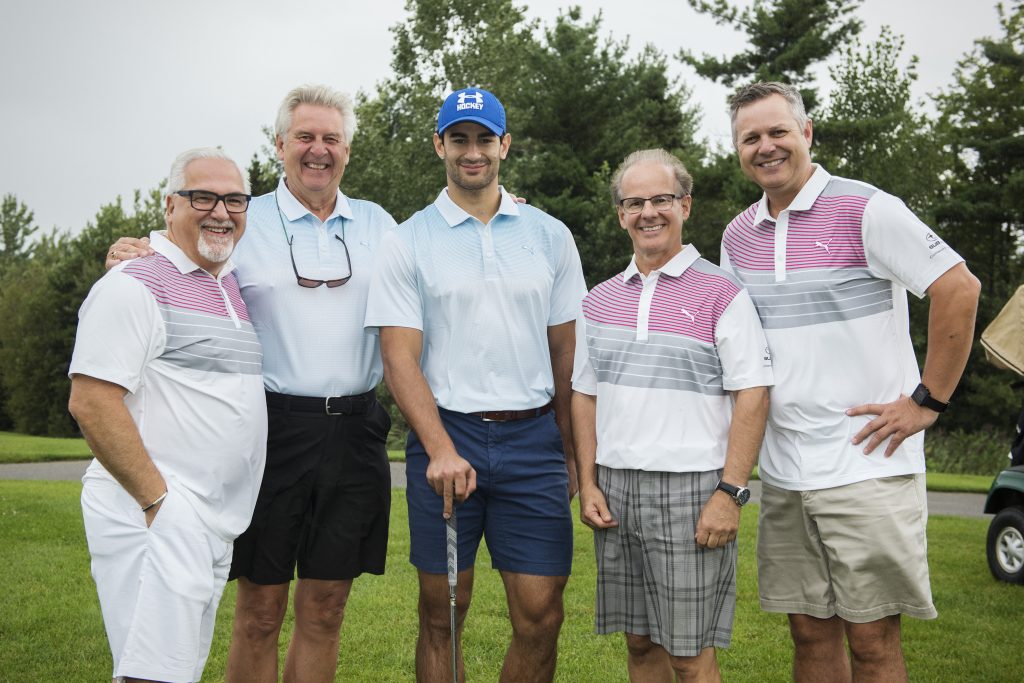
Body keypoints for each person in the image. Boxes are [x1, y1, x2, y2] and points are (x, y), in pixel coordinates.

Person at [105, 84, 396, 683]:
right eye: (305, 137)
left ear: (348, 149)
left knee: (326, 607)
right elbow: (179, 259)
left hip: (357, 432)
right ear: (280, 144)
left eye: (331, 139)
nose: (318, 150)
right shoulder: (239, 217)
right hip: (269, 432)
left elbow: (441, 263)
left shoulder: (379, 224)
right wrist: (131, 252)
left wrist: (497, 206)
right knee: (261, 611)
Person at [722, 81, 981, 682]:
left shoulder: (867, 208)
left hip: (868, 464)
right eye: (750, 137)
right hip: (785, 473)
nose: (766, 146)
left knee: (872, 640)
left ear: (806, 133)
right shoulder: (738, 234)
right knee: (810, 636)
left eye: (778, 131)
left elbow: (958, 288)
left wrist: (928, 401)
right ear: (738, 149)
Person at [364, 87, 587, 682]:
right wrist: (439, 448)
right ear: (439, 144)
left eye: (484, 139)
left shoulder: (549, 235)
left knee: (541, 614)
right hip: (448, 436)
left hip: (532, 437)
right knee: (443, 615)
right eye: (459, 138)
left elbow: (566, 355)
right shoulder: (407, 240)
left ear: (504, 146)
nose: (472, 151)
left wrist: (570, 452)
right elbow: (398, 357)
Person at [570, 148, 772, 682]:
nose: (648, 213)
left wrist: (729, 494)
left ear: (685, 205)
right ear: (620, 215)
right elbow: (584, 395)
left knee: (688, 653)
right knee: (639, 644)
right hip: (615, 489)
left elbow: (752, 394)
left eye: (661, 199)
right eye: (634, 203)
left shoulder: (724, 294)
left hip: (693, 492)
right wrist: (588, 483)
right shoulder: (598, 300)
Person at [70, 147, 266, 683]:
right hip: (155, 512)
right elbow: (91, 400)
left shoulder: (226, 282)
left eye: (233, 200)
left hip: (205, 523)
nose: (220, 211)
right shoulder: (132, 285)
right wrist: (159, 503)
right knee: (151, 675)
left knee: (177, 670)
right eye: (202, 197)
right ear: (169, 206)